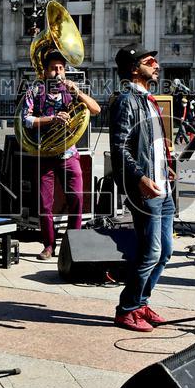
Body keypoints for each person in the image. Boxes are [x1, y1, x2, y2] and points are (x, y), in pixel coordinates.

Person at [110, 43, 174, 333]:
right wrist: (139, 177)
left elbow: (150, 142)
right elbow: (120, 146)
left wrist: (165, 164)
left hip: (162, 184)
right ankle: (126, 309)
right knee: (150, 252)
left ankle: (142, 302)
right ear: (136, 68)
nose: (156, 65)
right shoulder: (126, 100)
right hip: (146, 187)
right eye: (151, 61)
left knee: (165, 251)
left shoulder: (148, 99)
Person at [20, 51, 101, 259]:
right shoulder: (35, 90)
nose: (58, 72)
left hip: (68, 153)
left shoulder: (70, 90)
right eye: (54, 68)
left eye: (61, 68)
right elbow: (26, 120)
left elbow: (96, 110)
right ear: (46, 71)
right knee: (44, 204)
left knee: (76, 199)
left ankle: (72, 243)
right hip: (45, 154)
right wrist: (52, 119)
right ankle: (48, 245)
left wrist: (77, 92)